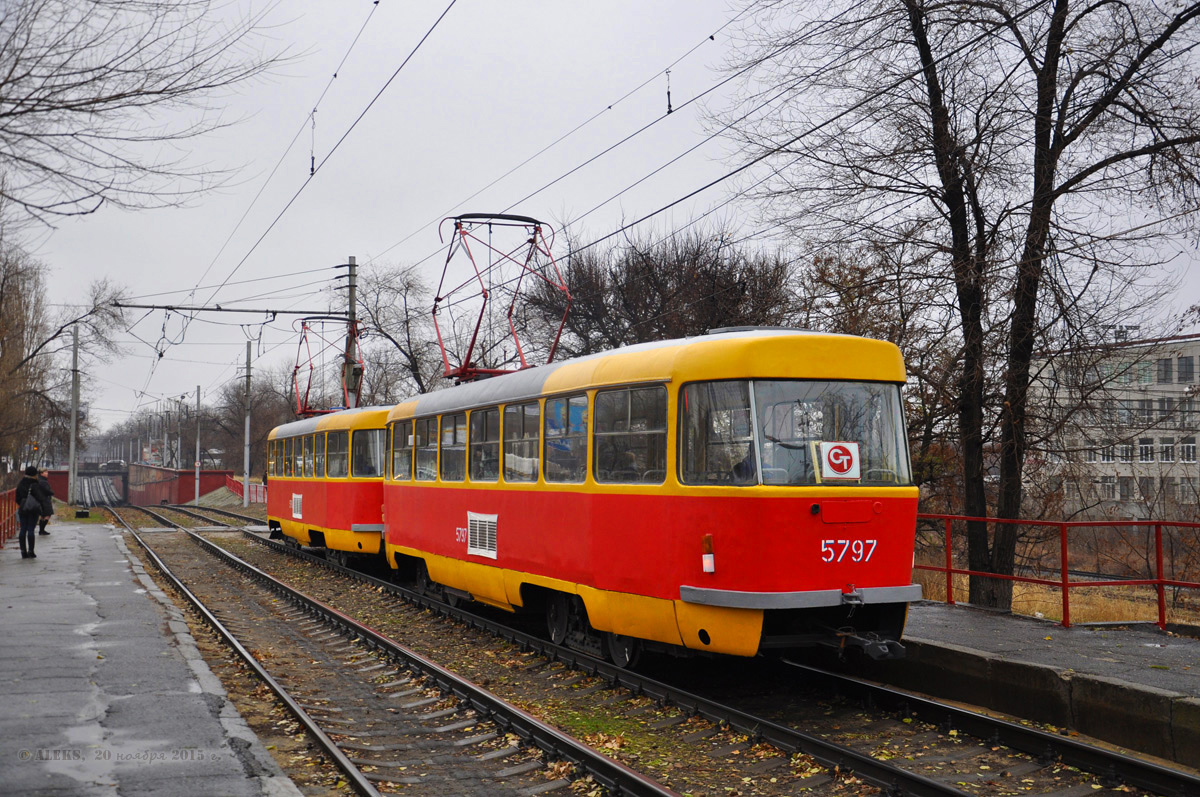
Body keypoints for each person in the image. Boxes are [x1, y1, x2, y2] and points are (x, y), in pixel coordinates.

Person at [15, 466, 50, 559]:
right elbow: (41, 497)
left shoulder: (21, 483)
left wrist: (23, 504)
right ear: (35, 474)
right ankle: (31, 551)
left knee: (23, 530)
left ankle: (23, 552)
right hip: (33, 510)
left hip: (23, 509)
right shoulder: (36, 484)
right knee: (30, 529)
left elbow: (17, 498)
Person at [37, 469, 54, 535]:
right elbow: (47, 490)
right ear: (41, 473)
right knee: (47, 514)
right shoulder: (43, 481)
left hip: (41, 499)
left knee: (43, 515)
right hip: (45, 500)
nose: (47, 473)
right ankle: (42, 530)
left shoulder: (39, 480)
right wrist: (52, 492)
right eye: (46, 472)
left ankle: (41, 530)